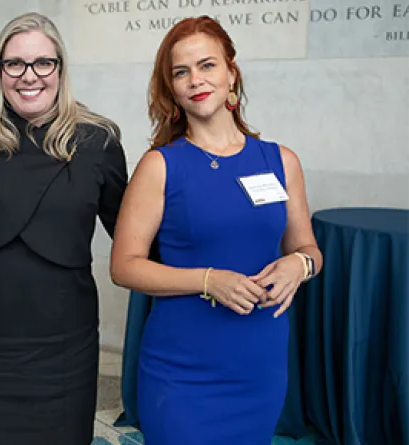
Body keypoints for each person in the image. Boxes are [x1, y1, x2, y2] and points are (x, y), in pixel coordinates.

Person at [109, 15, 323, 445]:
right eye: (180, 72)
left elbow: (308, 248)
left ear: (231, 73)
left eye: (207, 65)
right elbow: (124, 267)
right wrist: (208, 280)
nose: (195, 80)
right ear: (171, 88)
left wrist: (299, 265)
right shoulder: (160, 166)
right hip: (182, 371)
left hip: (259, 365)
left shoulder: (281, 161)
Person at [0, 11, 128, 445]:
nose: (30, 76)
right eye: (15, 64)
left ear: (60, 69)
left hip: (63, 340)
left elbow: (129, 231)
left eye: (44, 62)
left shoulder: (97, 139)